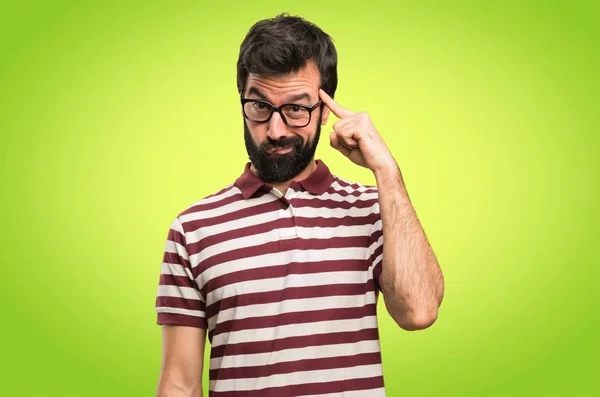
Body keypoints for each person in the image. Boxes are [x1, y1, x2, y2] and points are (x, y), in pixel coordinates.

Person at [155, 13, 444, 397]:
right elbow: (179, 382)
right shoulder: (194, 229)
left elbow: (419, 311)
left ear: (326, 110)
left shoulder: (373, 211)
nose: (275, 130)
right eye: (259, 106)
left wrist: (387, 171)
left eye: (296, 109)